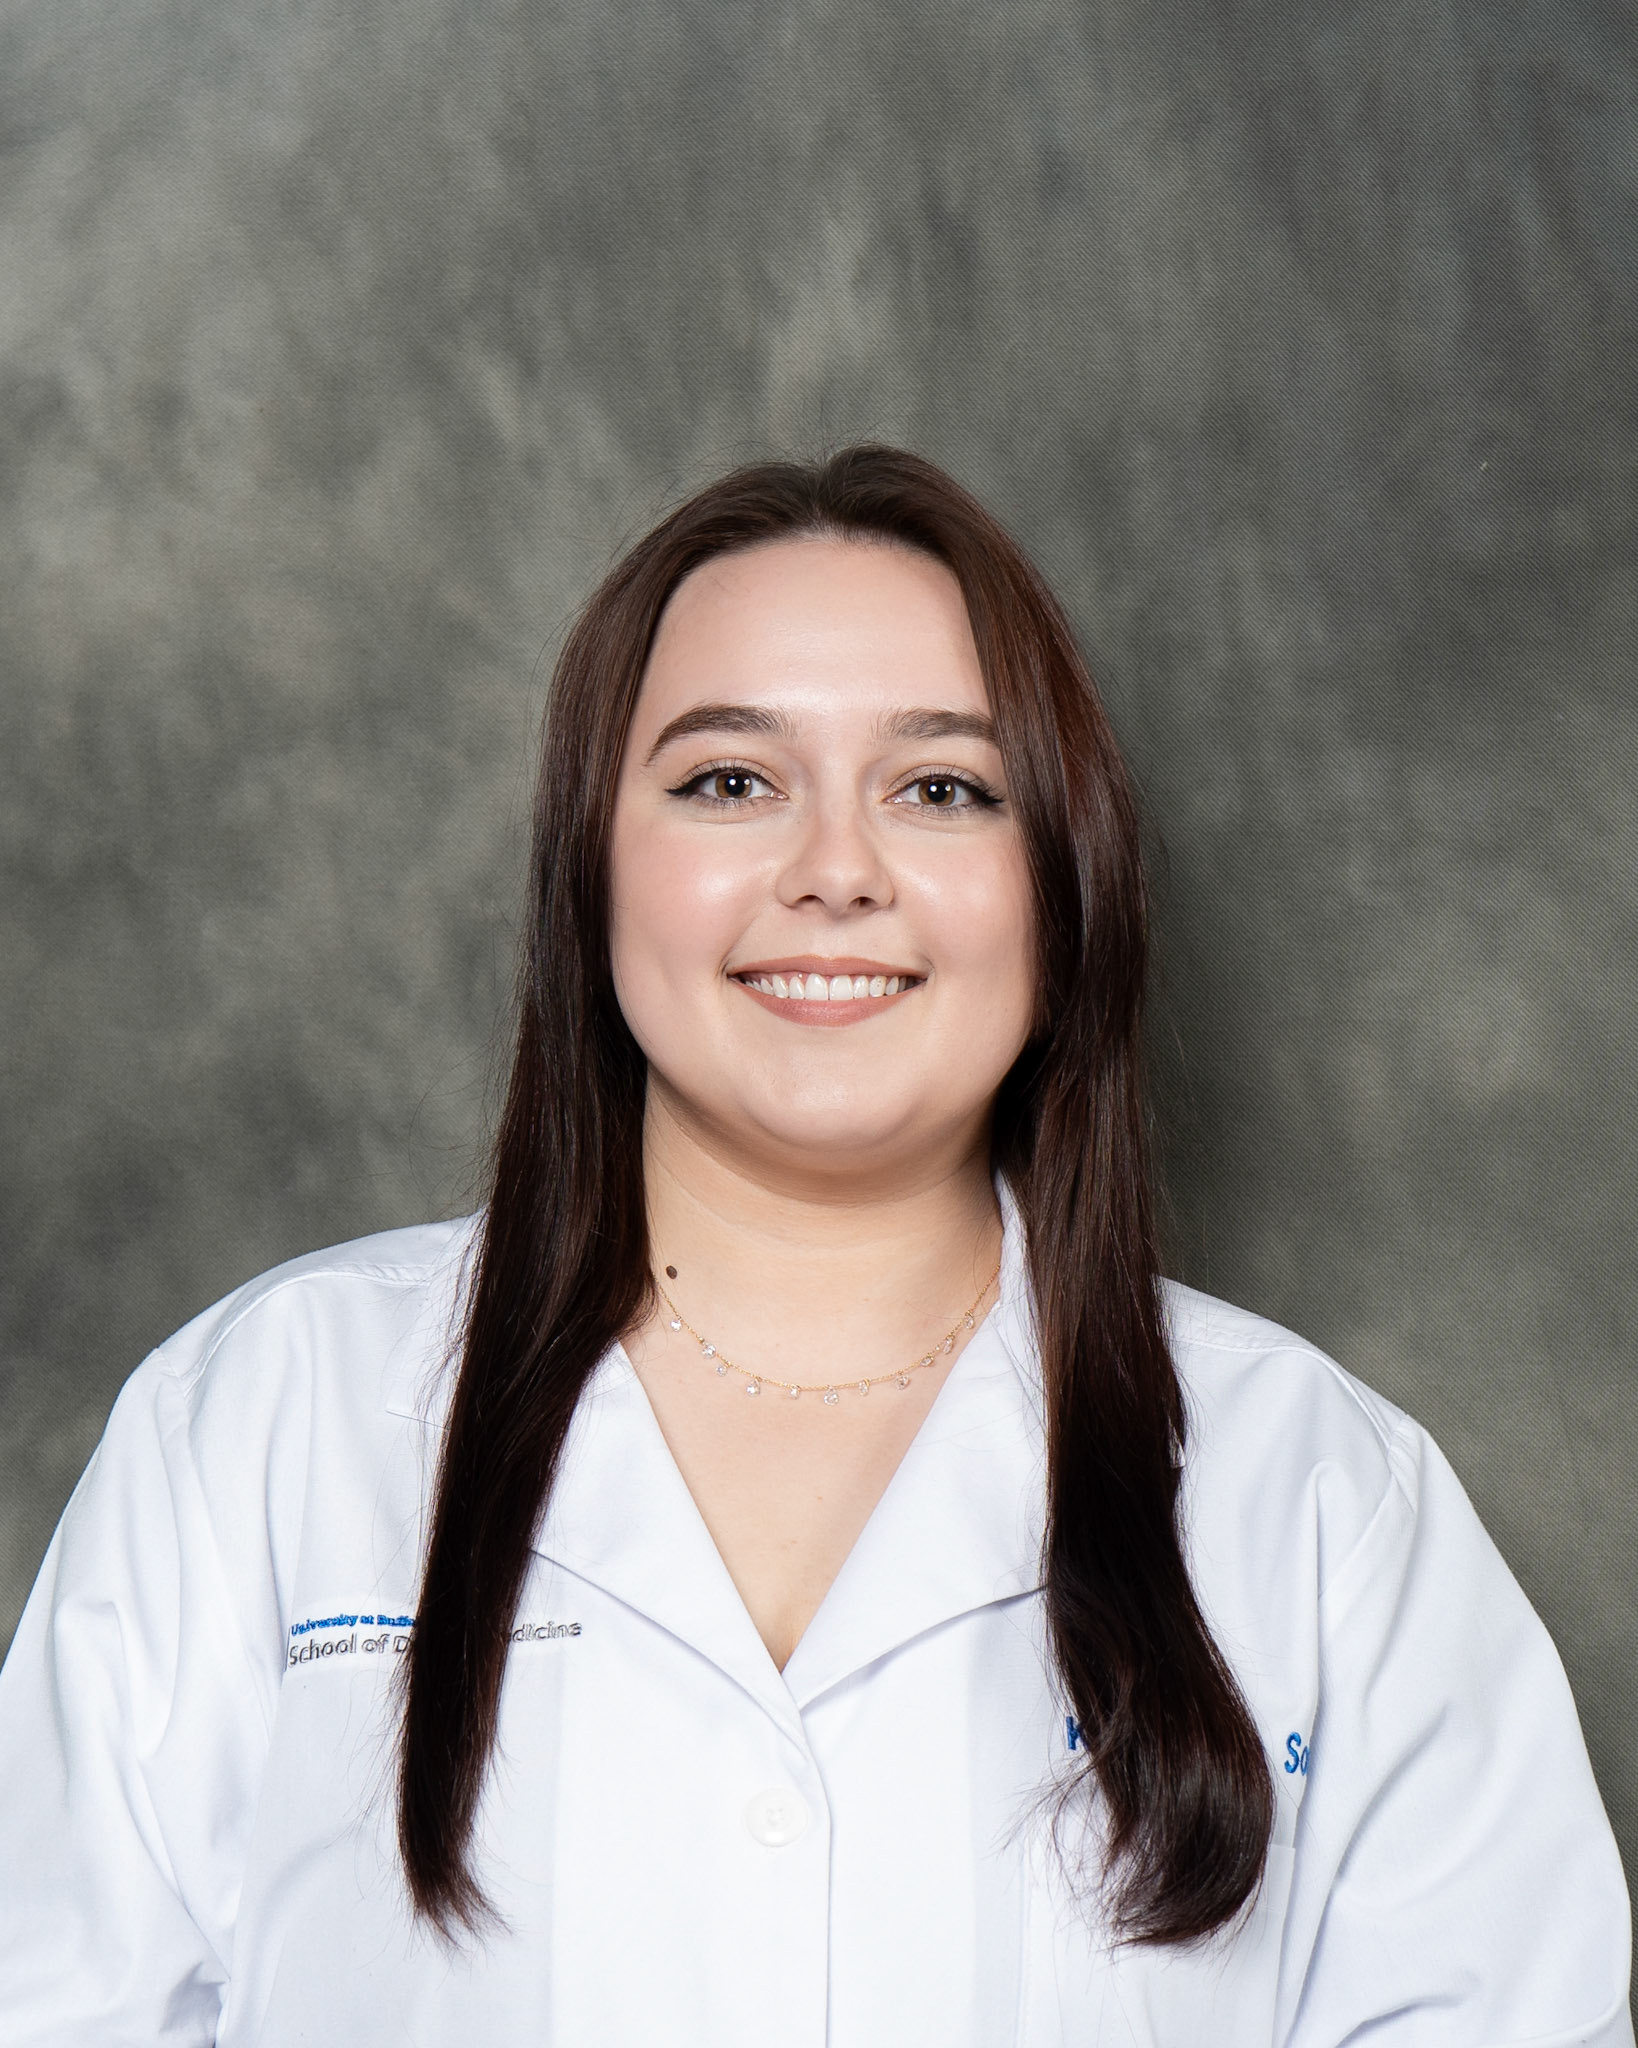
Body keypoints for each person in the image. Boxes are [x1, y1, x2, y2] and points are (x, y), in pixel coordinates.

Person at [0, 446, 1629, 2046]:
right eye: (730, 781)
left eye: (941, 789)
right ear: (590, 865)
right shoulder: (260, 1426)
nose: (835, 873)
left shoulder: (1324, 1504)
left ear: (1060, 882)